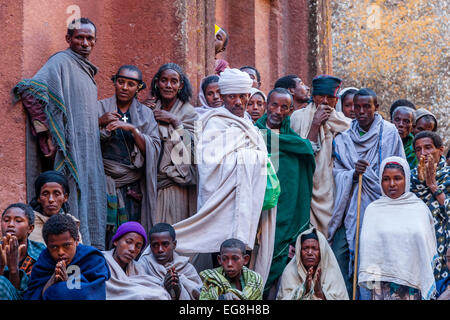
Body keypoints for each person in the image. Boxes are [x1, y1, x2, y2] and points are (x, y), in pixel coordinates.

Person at [172, 68, 276, 284]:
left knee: (243, 263)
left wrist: (253, 161)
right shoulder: (213, 122)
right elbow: (208, 163)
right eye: (232, 97)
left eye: (243, 96)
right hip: (219, 206)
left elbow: (264, 162)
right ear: (223, 96)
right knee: (220, 258)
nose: (238, 101)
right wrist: (251, 159)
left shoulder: (251, 125)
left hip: (247, 205)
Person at [12, 18, 107, 249]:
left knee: (92, 202)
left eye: (89, 39)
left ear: (95, 42)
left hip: (89, 154)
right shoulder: (60, 61)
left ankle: (87, 255)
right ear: (68, 39)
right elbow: (31, 89)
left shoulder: (87, 73)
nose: (84, 43)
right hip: (70, 152)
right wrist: (48, 135)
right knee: (68, 200)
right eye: (79, 37)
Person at [328, 88, 406, 298]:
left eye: (366, 107)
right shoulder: (343, 137)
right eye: (357, 107)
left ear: (376, 108)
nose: (361, 111)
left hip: (380, 208)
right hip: (351, 208)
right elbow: (335, 173)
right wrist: (353, 174)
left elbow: (400, 169)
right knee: (339, 255)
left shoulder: (389, 133)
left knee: (376, 261)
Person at [254, 88, 315, 297]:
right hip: (257, 215)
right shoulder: (253, 135)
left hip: (286, 217)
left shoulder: (297, 144)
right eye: (274, 105)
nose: (278, 111)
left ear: (290, 111)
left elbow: (299, 183)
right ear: (266, 105)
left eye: (284, 107)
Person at [98, 65, 161, 245]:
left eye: (131, 84)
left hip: (132, 187)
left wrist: (133, 130)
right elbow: (84, 142)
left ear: (139, 88)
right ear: (115, 82)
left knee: (131, 231)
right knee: (105, 231)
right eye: (121, 82)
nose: (125, 87)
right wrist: (100, 122)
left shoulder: (146, 114)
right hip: (103, 181)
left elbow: (154, 148)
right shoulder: (99, 107)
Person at [359, 157, 437, 300]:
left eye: (397, 178)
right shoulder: (373, 210)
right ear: (380, 181)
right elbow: (368, 249)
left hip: (413, 284)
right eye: (386, 179)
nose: (392, 184)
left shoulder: (418, 209)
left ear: (406, 179)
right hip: (382, 285)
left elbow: (426, 247)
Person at [290, 75, 351, 238]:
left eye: (329, 97)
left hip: (330, 187)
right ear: (313, 96)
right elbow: (301, 152)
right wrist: (316, 123)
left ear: (335, 100)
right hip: (306, 185)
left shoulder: (344, 123)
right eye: (320, 96)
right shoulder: (298, 117)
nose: (324, 101)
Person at [149, 63, 198, 225]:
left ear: (180, 85)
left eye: (174, 81)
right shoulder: (148, 110)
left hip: (177, 184)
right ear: (157, 82)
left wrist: (175, 122)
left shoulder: (188, 113)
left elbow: (195, 152)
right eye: (164, 80)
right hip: (150, 184)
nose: (168, 85)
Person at [24, 214, 110, 300]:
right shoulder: (44, 261)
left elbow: (95, 293)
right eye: (54, 247)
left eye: (67, 245)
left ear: (76, 241)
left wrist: (67, 282)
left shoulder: (92, 259)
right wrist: (52, 280)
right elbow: (31, 295)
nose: (60, 252)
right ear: (47, 245)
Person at [411, 131, 449, 282]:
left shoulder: (448, 176)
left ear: (440, 150)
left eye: (428, 147)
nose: (423, 153)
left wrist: (432, 185)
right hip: (418, 245)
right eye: (418, 149)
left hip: (445, 245)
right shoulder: (409, 179)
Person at [102, 221, 171, 300]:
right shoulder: (100, 261)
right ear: (116, 241)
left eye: (138, 246)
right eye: (128, 242)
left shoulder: (138, 269)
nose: (132, 249)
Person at [277, 228, 349, 300]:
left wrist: (321, 294)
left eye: (314, 248)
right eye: (306, 248)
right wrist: (304, 290)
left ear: (322, 252)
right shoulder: (290, 272)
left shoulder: (332, 272)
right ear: (299, 251)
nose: (310, 253)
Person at [138, 223, 202, 300]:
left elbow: (200, 295)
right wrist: (163, 286)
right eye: (155, 245)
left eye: (165, 244)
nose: (160, 250)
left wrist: (179, 290)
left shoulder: (187, 268)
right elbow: (137, 293)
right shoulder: (143, 265)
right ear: (150, 246)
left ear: (174, 244)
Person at [0, 203, 46, 300]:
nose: (11, 225)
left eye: (18, 221)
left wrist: (13, 269)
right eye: (6, 220)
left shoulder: (40, 252)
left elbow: (30, 293)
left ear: (30, 228)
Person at [199, 238, 263, 300]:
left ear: (245, 259)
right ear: (219, 260)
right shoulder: (211, 279)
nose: (229, 264)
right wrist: (222, 298)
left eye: (235, 259)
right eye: (224, 259)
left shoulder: (255, 279)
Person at [28, 171, 82, 244]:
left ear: (65, 197)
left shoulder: (72, 225)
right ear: (38, 198)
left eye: (56, 194)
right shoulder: (29, 225)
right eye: (45, 194)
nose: (51, 199)